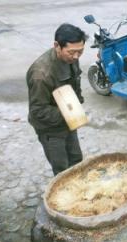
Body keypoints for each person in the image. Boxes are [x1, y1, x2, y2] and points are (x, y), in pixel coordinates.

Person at [27, 23, 87, 175]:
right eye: (72, 52)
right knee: (62, 169)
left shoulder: (72, 57)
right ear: (57, 46)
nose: (76, 56)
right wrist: (70, 113)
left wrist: (76, 103)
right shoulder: (41, 74)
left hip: (67, 121)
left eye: (80, 51)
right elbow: (38, 111)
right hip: (50, 129)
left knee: (76, 160)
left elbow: (75, 81)